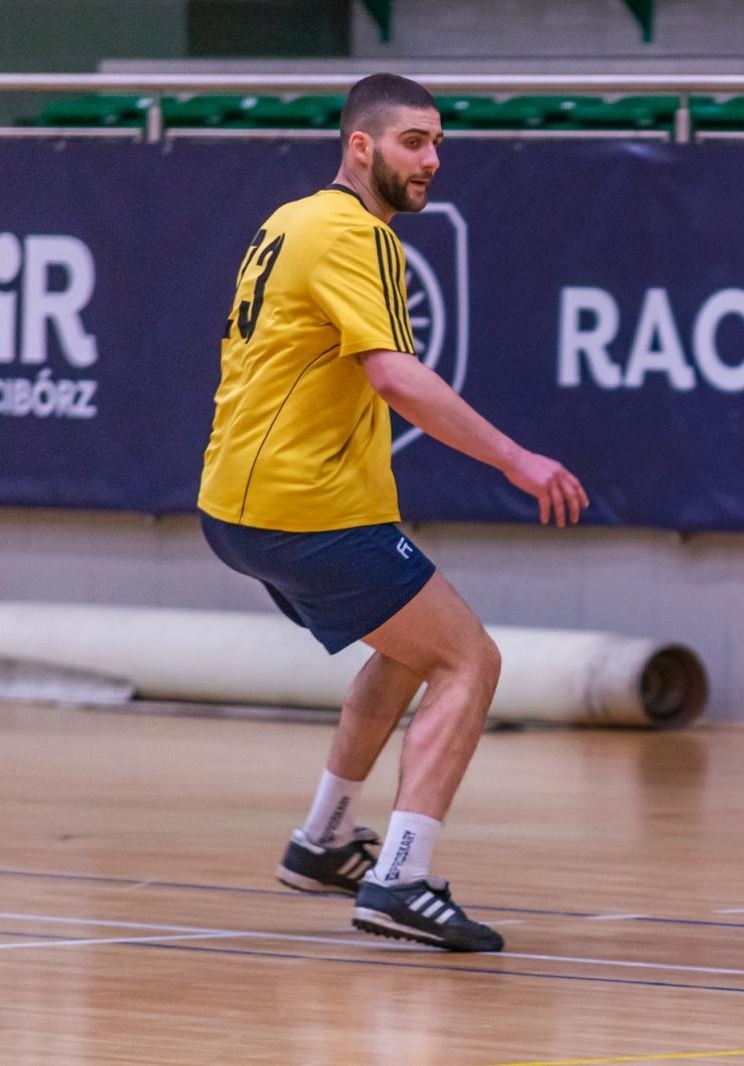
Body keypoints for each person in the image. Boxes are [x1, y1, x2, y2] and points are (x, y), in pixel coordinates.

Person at [197, 73, 588, 953]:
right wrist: (518, 461)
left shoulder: (287, 219)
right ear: (361, 146)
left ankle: (323, 839)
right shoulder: (355, 233)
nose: (433, 161)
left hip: (239, 504)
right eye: (415, 142)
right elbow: (397, 377)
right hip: (307, 507)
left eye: (439, 143)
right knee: (470, 660)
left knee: (410, 651)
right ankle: (400, 879)